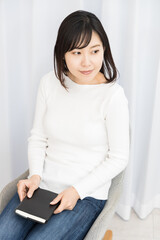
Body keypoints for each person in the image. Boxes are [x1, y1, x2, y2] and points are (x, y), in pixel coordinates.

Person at [0, 10, 130, 240]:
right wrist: (35, 176)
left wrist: (76, 191)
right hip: (43, 186)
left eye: (95, 51)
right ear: (63, 54)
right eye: (77, 52)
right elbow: (38, 137)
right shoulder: (49, 83)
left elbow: (119, 157)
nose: (87, 61)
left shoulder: (113, 96)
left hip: (85, 195)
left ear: (104, 50)